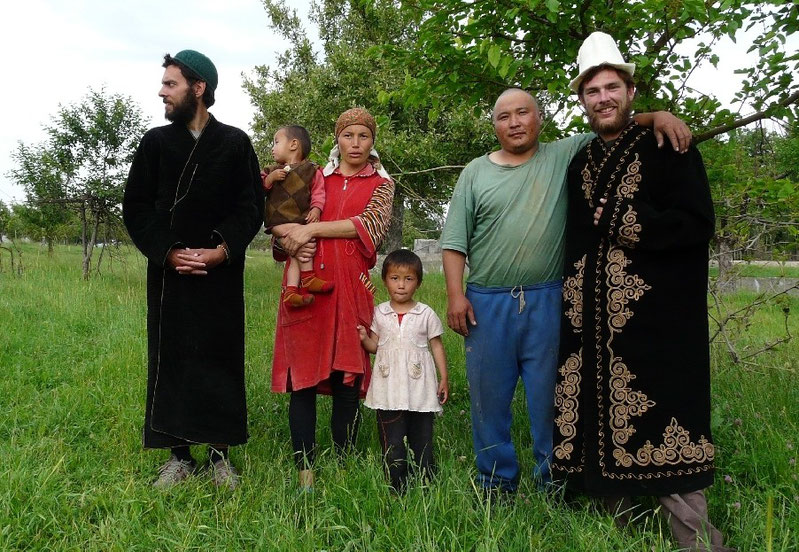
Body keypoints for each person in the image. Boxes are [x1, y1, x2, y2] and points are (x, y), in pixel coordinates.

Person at [440, 87, 691, 494]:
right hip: (486, 303)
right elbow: (455, 241)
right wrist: (455, 295)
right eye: (504, 116)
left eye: (523, 113)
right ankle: (494, 483)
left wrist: (657, 116)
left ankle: (553, 483)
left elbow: (616, 125)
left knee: (551, 401)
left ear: (539, 119)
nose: (515, 122)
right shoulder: (475, 173)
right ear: (495, 126)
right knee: (488, 401)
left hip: (549, 299)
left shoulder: (563, 155)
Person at [551, 32, 731, 552]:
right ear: (582, 100)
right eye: (592, 91)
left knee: (668, 421)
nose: (603, 98)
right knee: (596, 424)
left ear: (631, 92)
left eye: (612, 87)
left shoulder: (668, 147)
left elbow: (698, 223)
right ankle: (625, 532)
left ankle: (698, 543)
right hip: (591, 328)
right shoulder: (580, 163)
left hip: (660, 324)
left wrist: (632, 222)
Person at [123, 50, 264, 489]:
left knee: (219, 358)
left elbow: (250, 206)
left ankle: (220, 455)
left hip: (220, 275)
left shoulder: (236, 143)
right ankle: (178, 457)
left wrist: (223, 248)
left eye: (171, 84)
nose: (161, 92)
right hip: (170, 276)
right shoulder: (155, 143)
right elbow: (136, 208)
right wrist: (166, 251)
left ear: (198, 88)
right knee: (174, 358)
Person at [270, 108, 395, 491]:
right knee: (302, 379)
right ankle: (304, 472)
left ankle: (343, 466)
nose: (355, 144)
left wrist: (313, 229)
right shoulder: (313, 176)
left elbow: (369, 226)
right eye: (348, 136)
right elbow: (281, 218)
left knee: (347, 377)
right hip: (306, 289)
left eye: (364, 136)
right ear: (336, 139)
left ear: (372, 142)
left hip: (351, 287)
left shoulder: (382, 185)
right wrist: (287, 237)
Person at [357, 249, 449, 492]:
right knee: (392, 441)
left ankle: (426, 483)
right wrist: (364, 337)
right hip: (388, 391)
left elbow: (436, 345)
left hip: (420, 389)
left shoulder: (425, 313)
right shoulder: (379, 313)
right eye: (395, 278)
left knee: (422, 439)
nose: (401, 285)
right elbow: (375, 346)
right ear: (385, 280)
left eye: (408, 279)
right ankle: (396, 486)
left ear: (418, 282)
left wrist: (444, 377)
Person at [261, 125, 332, 307]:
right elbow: (257, 188)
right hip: (277, 222)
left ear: (293, 144)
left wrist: (316, 209)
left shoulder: (312, 171)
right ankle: (308, 277)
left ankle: (291, 291)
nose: (273, 147)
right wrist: (270, 179)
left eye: (277, 142)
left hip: (299, 220)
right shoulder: (271, 170)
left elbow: (318, 193)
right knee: (304, 240)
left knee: (295, 252)